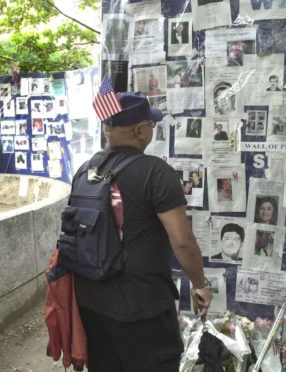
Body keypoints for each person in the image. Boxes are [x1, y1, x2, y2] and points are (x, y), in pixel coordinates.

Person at [74, 92, 213, 371]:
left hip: (91, 303)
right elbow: (182, 242)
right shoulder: (155, 172)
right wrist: (200, 284)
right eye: (151, 123)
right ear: (139, 131)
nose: (153, 128)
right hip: (143, 308)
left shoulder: (85, 170)